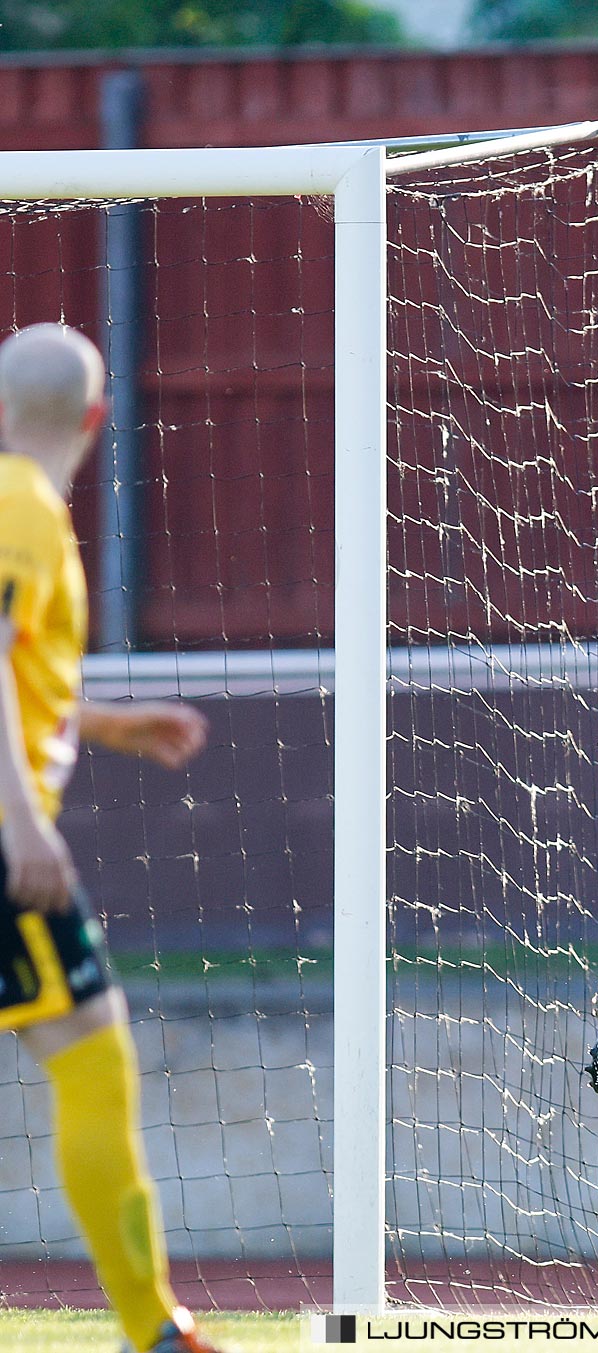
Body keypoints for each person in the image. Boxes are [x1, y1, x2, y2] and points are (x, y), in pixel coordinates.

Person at [0, 323, 221, 1353]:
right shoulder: (24, 512)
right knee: (93, 1061)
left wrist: (99, 724)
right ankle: (153, 1332)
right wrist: (24, 827)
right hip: (6, 847)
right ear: (96, 420)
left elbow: (18, 674)